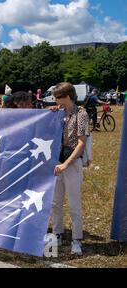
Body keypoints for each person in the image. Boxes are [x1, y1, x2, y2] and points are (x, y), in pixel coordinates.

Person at [50, 82, 90, 256]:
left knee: (74, 204)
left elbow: (81, 143)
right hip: (57, 161)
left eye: (58, 97)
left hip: (71, 163)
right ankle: (57, 234)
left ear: (67, 96)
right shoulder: (58, 112)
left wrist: (67, 164)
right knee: (55, 202)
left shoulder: (81, 114)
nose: (55, 100)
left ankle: (76, 239)